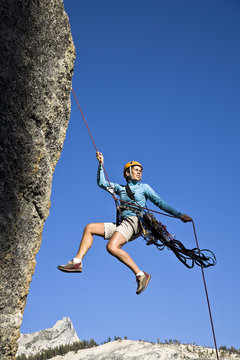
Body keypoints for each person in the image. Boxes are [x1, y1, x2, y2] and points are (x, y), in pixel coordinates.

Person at [58, 152, 192, 295]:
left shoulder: (144, 187)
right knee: (89, 228)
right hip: (122, 223)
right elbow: (102, 183)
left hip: (134, 222)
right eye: (136, 170)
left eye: (140, 171)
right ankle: (77, 262)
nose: (139, 172)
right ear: (127, 173)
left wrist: (179, 215)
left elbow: (160, 203)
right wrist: (100, 164)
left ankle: (141, 275)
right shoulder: (119, 188)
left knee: (111, 247)